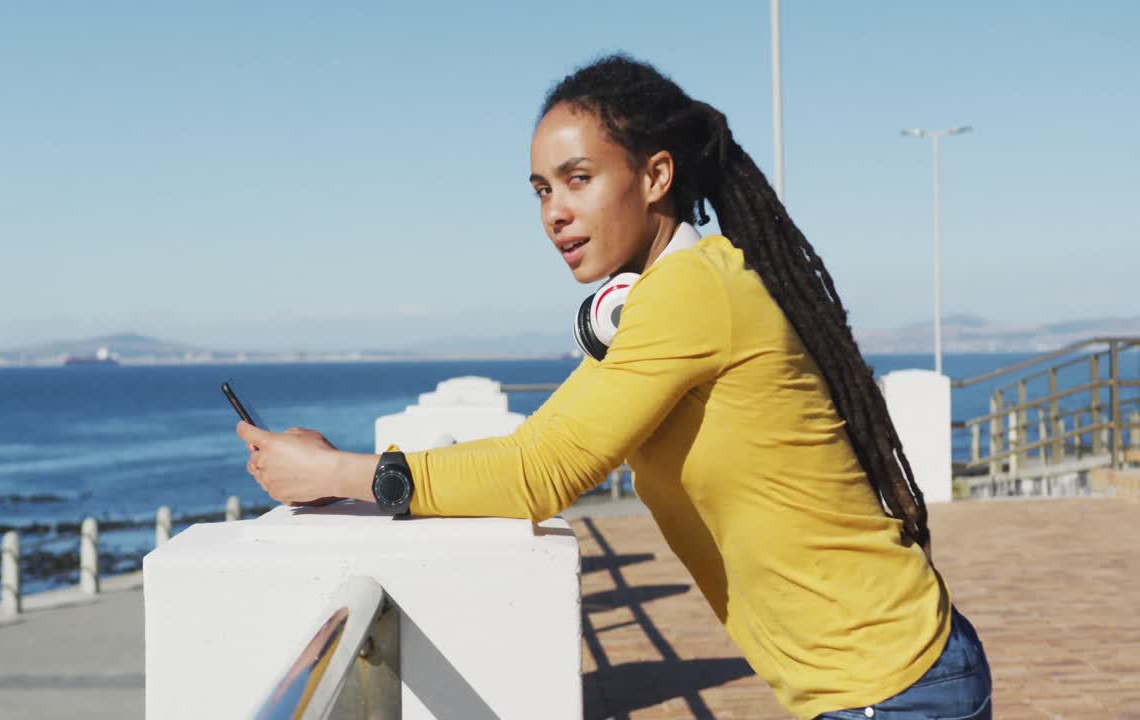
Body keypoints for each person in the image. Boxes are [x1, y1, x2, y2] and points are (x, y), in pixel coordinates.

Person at [236, 54, 992, 720]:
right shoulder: (659, 299)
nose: (555, 213)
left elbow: (541, 473)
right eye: (541, 190)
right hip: (889, 677)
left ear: (656, 176)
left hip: (890, 688)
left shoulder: (690, 293)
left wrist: (337, 474)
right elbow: (540, 443)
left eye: (579, 179)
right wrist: (339, 462)